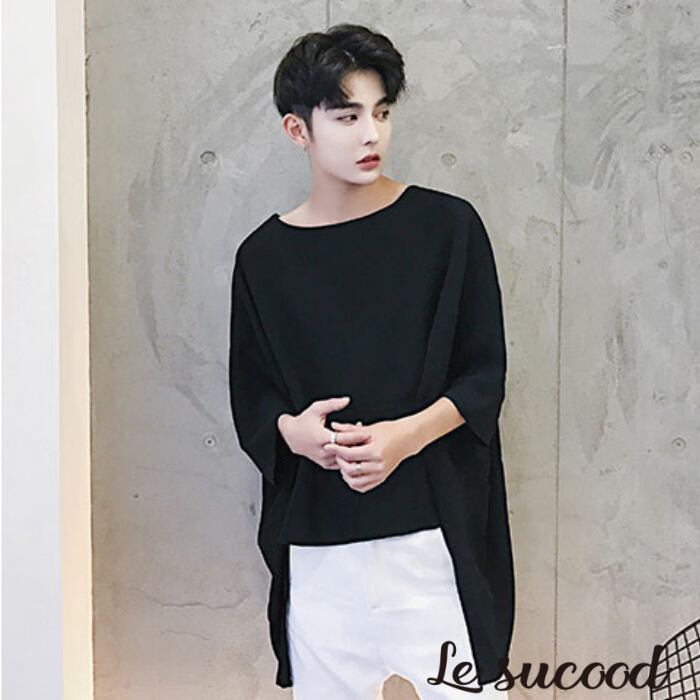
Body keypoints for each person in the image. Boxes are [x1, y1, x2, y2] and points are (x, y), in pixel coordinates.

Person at [229, 23, 515, 699]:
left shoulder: (447, 228)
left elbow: (484, 374)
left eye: (382, 112)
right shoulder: (263, 259)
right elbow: (253, 396)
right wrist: (294, 433)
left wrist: (404, 438)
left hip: (432, 536)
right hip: (320, 547)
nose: (371, 134)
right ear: (297, 130)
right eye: (347, 115)